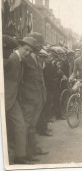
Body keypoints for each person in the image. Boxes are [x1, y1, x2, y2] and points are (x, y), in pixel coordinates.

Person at [4, 37, 36, 164]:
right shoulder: (11, 58)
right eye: (26, 49)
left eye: (30, 51)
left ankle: (20, 157)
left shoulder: (21, 60)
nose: (27, 53)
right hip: (5, 98)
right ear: (19, 47)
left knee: (21, 126)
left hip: (13, 100)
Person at [19, 32, 48, 161]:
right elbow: (20, 78)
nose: (40, 46)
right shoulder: (25, 58)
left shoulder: (35, 57)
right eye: (39, 43)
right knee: (27, 125)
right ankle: (26, 153)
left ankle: (33, 149)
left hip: (38, 97)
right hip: (29, 98)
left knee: (32, 125)